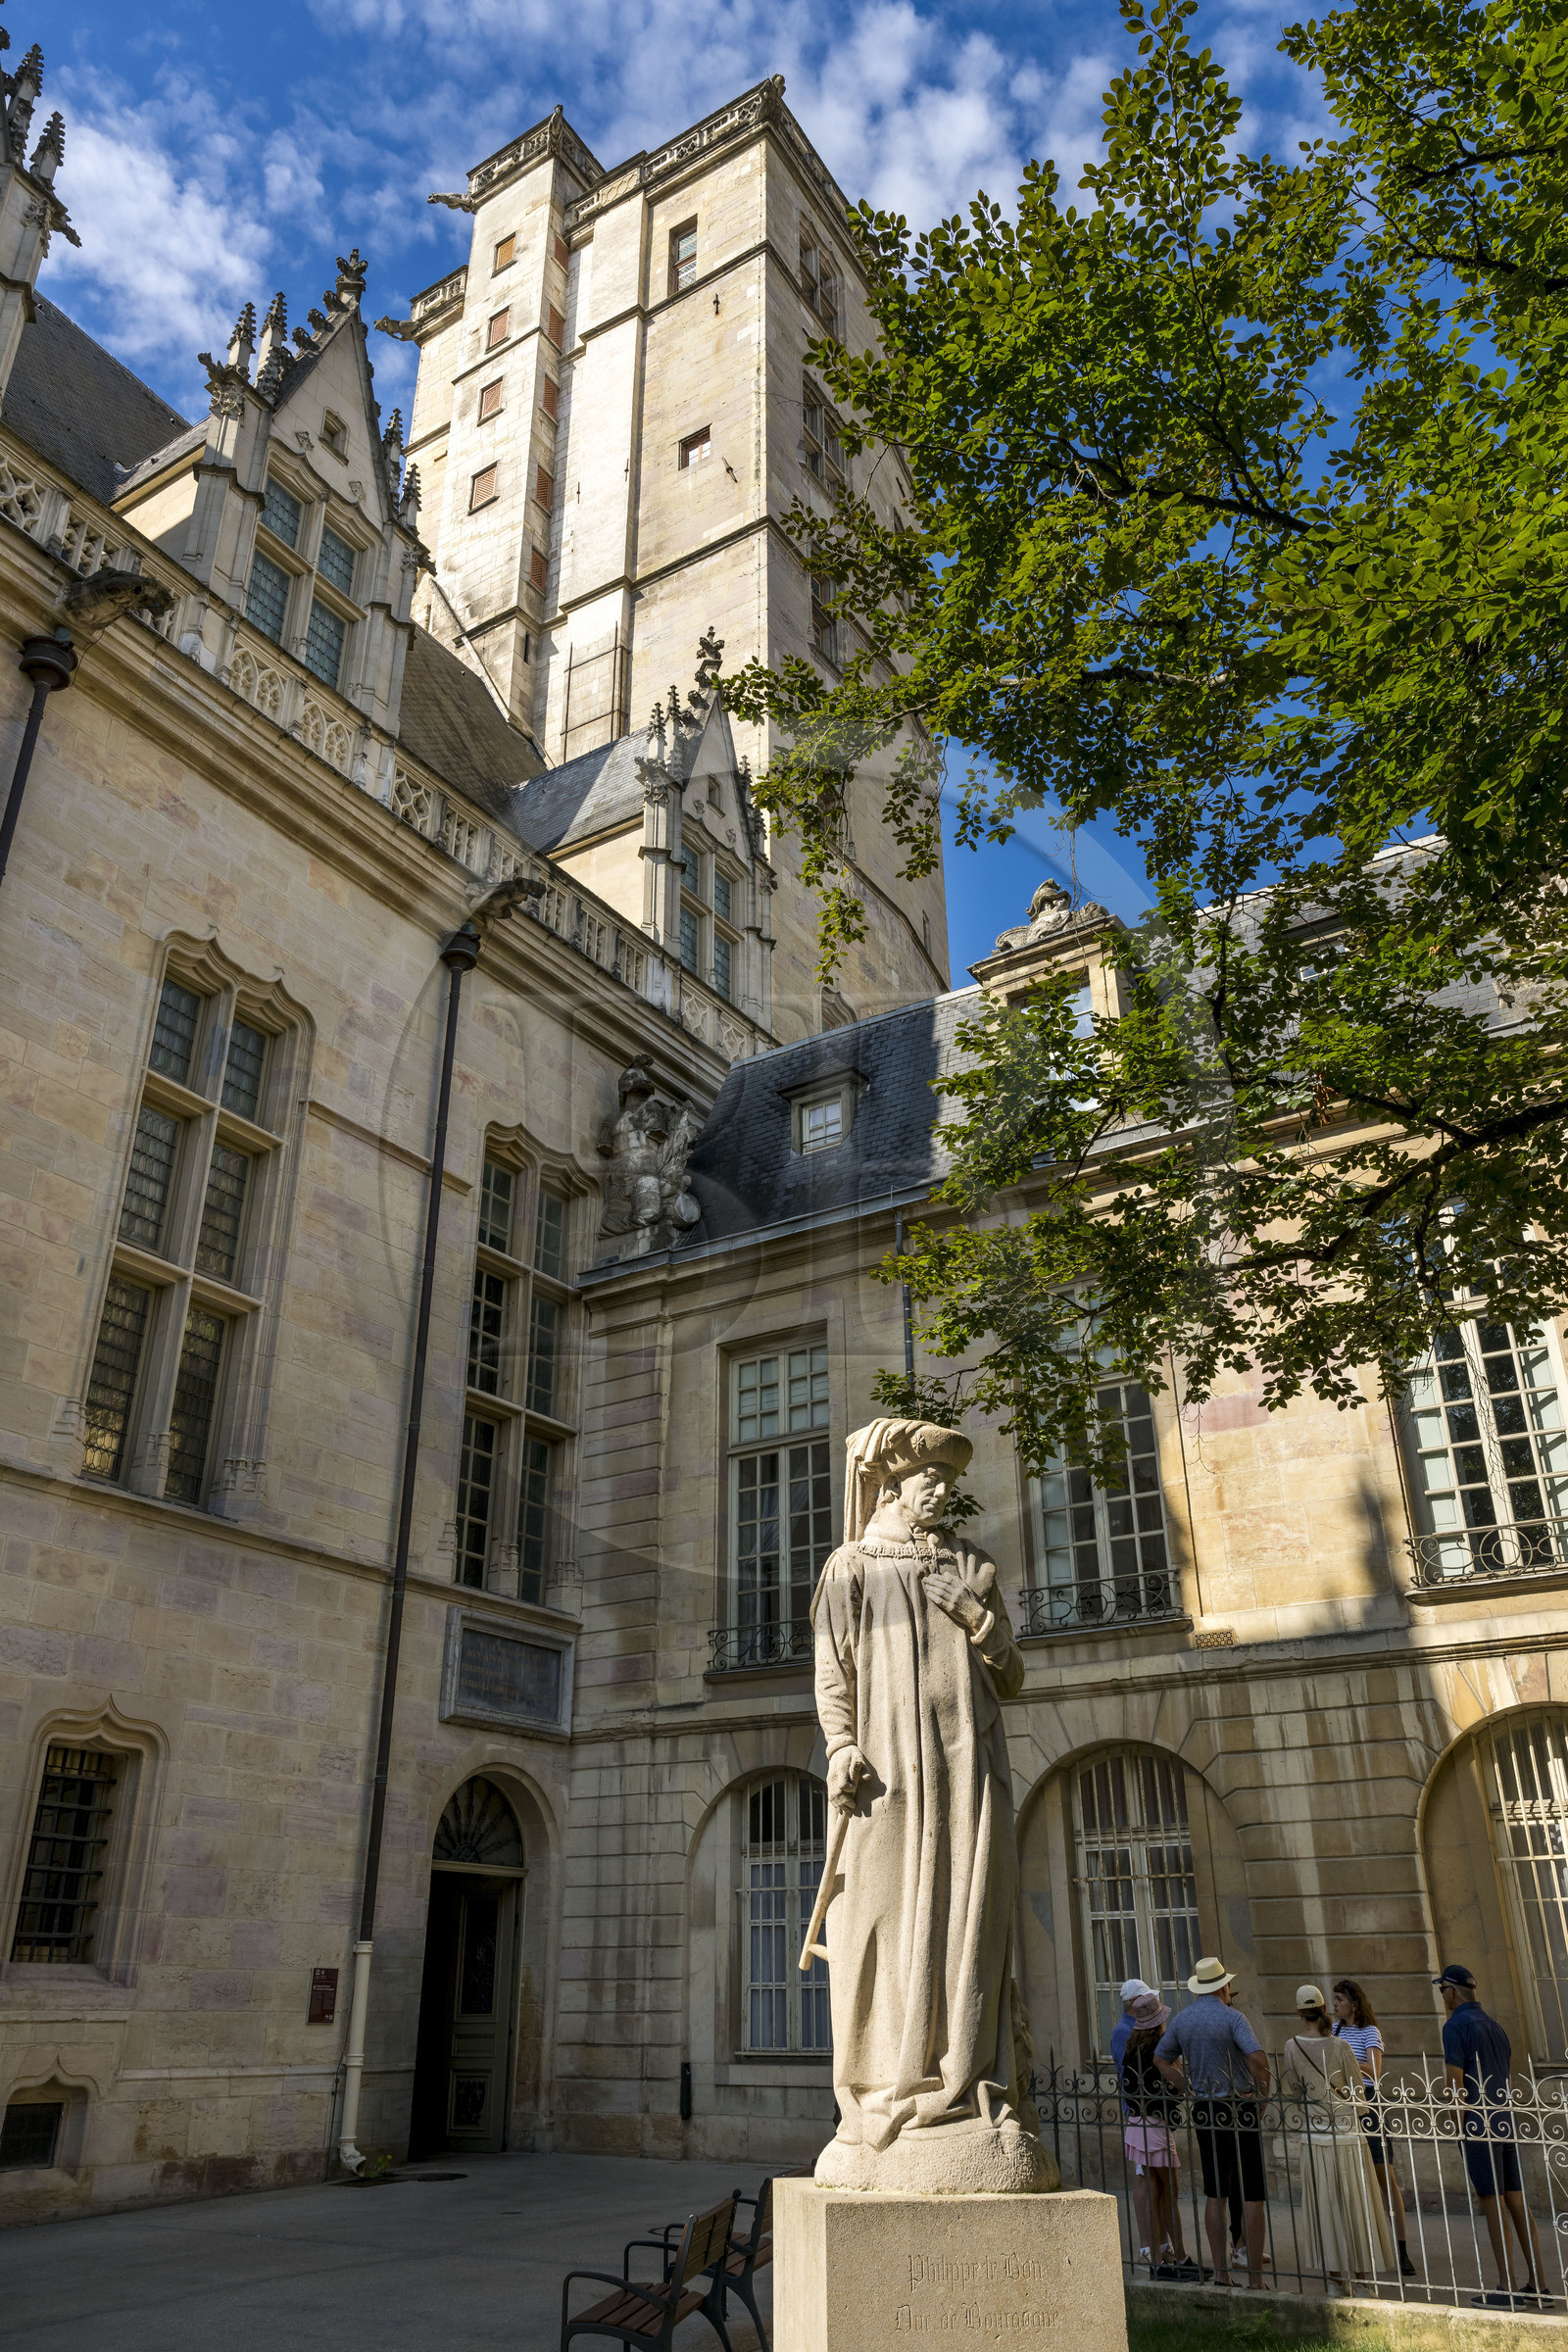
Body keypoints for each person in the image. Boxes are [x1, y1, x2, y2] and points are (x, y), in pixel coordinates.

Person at [810, 1419, 1050, 2190]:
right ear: (890, 1485)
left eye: (947, 1485)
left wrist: (974, 1617)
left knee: (963, 1923)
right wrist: (840, 1747)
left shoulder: (970, 1565)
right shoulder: (850, 1568)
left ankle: (959, 2082)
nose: (941, 1494)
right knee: (878, 1918)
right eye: (928, 1482)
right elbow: (832, 1673)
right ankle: (884, 2085)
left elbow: (1011, 1677)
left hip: (966, 1774)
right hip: (886, 1779)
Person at [1154, 1956, 1271, 2288]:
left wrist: (1180, 2081)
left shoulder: (1183, 2020)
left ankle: (1221, 2273)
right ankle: (1255, 2279)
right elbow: (1258, 2058)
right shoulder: (1233, 2017)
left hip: (1206, 2109)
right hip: (1239, 2106)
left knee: (1215, 2193)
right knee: (1252, 2193)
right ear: (1223, 1987)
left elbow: (1160, 2058)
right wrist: (1263, 2093)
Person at [1436, 1964, 1544, 2306]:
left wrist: (1458, 2124)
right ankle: (1538, 2284)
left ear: (1452, 1991)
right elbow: (1506, 2077)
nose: (1442, 1997)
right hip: (1504, 2118)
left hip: (1478, 2122)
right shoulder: (1495, 2025)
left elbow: (1456, 2081)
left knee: (1491, 2199)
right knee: (1514, 2197)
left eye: (1442, 1991)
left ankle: (1506, 2285)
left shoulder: (1455, 2025)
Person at [1281, 1985, 1394, 2293]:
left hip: (1314, 2135)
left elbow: (1292, 2091)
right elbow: (1360, 2096)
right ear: (1323, 2011)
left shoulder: (1291, 2046)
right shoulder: (1341, 2046)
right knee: (1356, 2206)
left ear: (1299, 2012)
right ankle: (1362, 2279)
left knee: (1323, 2209)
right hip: (1346, 2134)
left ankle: (1334, 2280)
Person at [1332, 1978, 1416, 2277]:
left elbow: (1375, 2071)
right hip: (1344, 2102)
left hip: (1368, 2101)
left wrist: (1347, 2060)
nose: (1335, 2005)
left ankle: (1402, 2248)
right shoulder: (1335, 2030)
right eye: (1334, 1999)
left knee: (1385, 2178)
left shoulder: (1369, 2031)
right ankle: (1362, 2249)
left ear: (1354, 2003)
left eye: (1340, 1999)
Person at [1122, 1990, 1199, 2277]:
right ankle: (1179, 2255)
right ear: (1158, 2022)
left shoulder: (1131, 2049)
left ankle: (1157, 2257)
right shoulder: (1160, 2050)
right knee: (1169, 2193)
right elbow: (1177, 2088)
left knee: (1155, 2191)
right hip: (1155, 2125)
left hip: (1136, 2125)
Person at [1111, 1978, 1157, 2261]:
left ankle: (1157, 2242)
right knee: (1143, 2176)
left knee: (1152, 2177)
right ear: (1133, 2003)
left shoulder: (1136, 2027)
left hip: (1146, 2110)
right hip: (1138, 2111)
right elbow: (1127, 2074)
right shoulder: (1123, 2031)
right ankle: (1146, 2244)